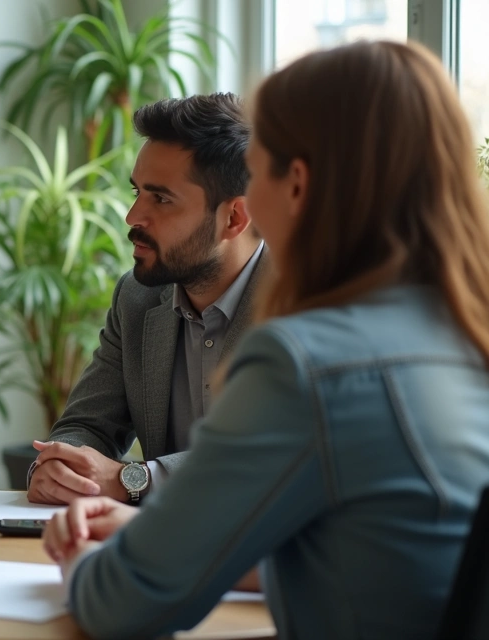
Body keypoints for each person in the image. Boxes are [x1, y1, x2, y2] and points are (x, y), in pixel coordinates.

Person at [42, 40, 489, 640]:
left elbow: (123, 604)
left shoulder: (308, 360)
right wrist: (163, 536)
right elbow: (370, 558)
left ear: (294, 185)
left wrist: (81, 557)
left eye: (261, 164)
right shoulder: (456, 326)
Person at [28, 93, 265, 505]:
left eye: (161, 198)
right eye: (137, 191)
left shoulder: (307, 305)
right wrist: (62, 466)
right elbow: (88, 425)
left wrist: (133, 479)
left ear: (234, 218)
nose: (133, 216)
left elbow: (272, 455)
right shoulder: (138, 298)